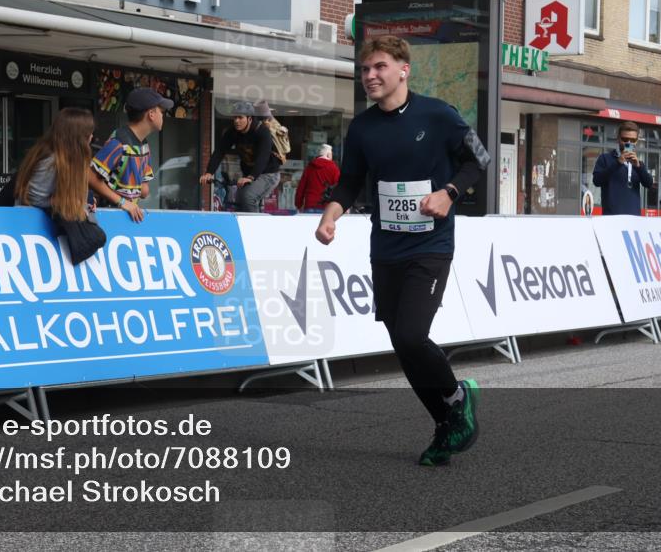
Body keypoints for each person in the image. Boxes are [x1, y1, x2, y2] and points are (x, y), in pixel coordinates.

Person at [314, 34, 489, 467]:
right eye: (364, 69)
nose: (369, 76)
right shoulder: (362, 127)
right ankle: (446, 423)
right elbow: (351, 181)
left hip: (430, 245)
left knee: (412, 333)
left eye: (378, 68)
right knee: (401, 341)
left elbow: (479, 160)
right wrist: (330, 215)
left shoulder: (439, 115)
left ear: (402, 69)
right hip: (386, 245)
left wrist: (449, 192)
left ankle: (456, 395)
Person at [90, 87, 171, 223]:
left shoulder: (143, 144)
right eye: (161, 111)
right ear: (151, 114)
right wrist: (122, 201)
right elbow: (90, 176)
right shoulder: (119, 142)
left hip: (126, 218)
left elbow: (144, 190)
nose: (163, 116)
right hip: (108, 217)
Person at [200, 101, 281, 213]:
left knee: (248, 197)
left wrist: (251, 177)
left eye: (240, 117)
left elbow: (263, 157)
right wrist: (209, 172)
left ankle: (253, 227)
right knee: (237, 200)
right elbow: (219, 151)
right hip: (249, 174)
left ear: (250, 119)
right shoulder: (232, 132)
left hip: (268, 174)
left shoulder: (262, 132)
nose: (236, 121)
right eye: (234, 117)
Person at [13, 107, 95, 218]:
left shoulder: (68, 158)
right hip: (30, 223)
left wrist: (83, 203)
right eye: (88, 133)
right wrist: (65, 202)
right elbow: (33, 199)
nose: (91, 137)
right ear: (78, 137)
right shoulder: (51, 160)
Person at [591, 121, 653, 215]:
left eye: (632, 140)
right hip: (612, 218)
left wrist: (639, 167)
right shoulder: (605, 158)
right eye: (625, 139)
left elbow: (649, 183)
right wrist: (617, 163)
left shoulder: (638, 164)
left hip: (633, 220)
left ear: (637, 141)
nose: (628, 143)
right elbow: (596, 181)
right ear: (618, 139)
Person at [295, 144, 341, 211]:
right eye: (331, 155)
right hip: (326, 207)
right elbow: (338, 189)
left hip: (309, 204)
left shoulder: (309, 168)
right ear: (328, 155)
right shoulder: (333, 168)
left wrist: (298, 204)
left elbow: (301, 187)